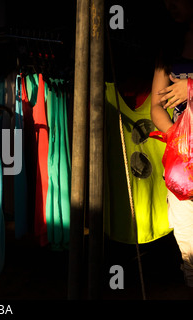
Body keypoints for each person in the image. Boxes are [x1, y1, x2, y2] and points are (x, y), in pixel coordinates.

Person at [151, 0, 193, 291]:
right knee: (186, 230)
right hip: (182, 155)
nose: (170, 5)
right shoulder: (167, 47)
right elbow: (156, 106)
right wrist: (177, 137)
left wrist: (189, 87)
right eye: (166, 1)